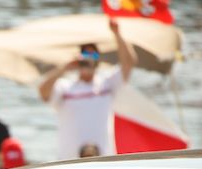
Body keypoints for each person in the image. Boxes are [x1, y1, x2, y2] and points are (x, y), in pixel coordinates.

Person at [38, 17, 137, 160]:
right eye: (85, 55)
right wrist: (64, 68)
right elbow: (43, 92)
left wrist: (117, 34)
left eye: (93, 55)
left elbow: (129, 63)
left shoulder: (107, 84)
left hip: (103, 160)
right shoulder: (65, 87)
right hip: (69, 162)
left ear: (98, 60)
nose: (88, 59)